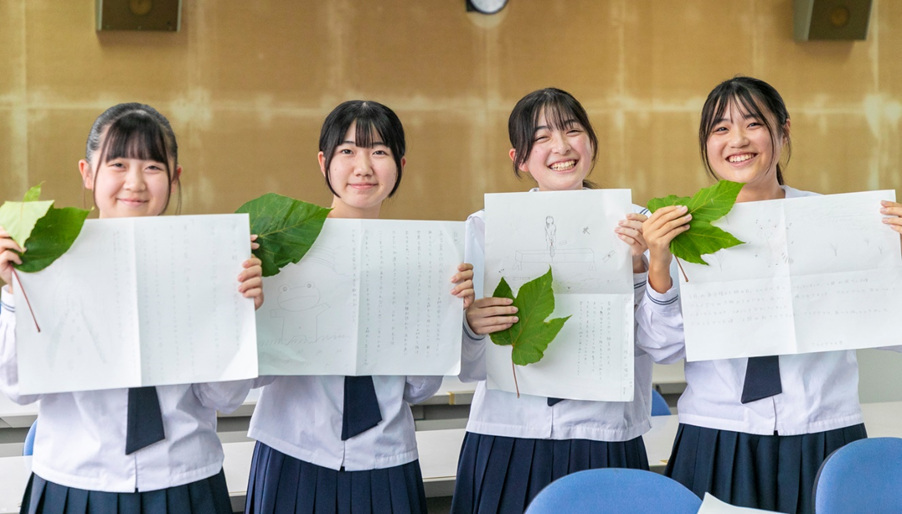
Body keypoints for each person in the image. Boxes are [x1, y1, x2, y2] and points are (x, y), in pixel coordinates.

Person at [638, 75, 902, 514]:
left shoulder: (841, 223)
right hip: (717, 433)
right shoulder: (680, 229)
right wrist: (660, 264)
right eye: (720, 129)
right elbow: (662, 348)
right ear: (706, 144)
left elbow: (895, 335)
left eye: (753, 123)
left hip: (823, 431)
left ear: (783, 130)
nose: (737, 139)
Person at [0, 102, 264, 512]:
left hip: (184, 478)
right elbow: (16, 390)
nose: (135, 183)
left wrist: (239, 314)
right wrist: (13, 292)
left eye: (153, 167)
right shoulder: (49, 258)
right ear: (87, 174)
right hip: (78, 482)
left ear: (175, 178)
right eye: (118, 164)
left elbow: (223, 397)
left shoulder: (207, 261)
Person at [244, 100, 475, 514]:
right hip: (294, 450)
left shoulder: (423, 259)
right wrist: (248, 310)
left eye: (379, 152)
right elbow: (252, 379)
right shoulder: (276, 250)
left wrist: (445, 316)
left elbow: (418, 389)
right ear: (323, 161)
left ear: (400, 164)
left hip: (385, 454)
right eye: (348, 151)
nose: (363, 167)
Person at [451, 88, 653, 514]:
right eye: (541, 138)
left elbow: (660, 342)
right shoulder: (484, 229)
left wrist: (639, 270)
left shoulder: (638, 226)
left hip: (602, 433)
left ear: (592, 144)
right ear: (519, 159)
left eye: (573, 130)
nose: (560, 147)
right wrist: (470, 325)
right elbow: (466, 367)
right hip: (508, 432)